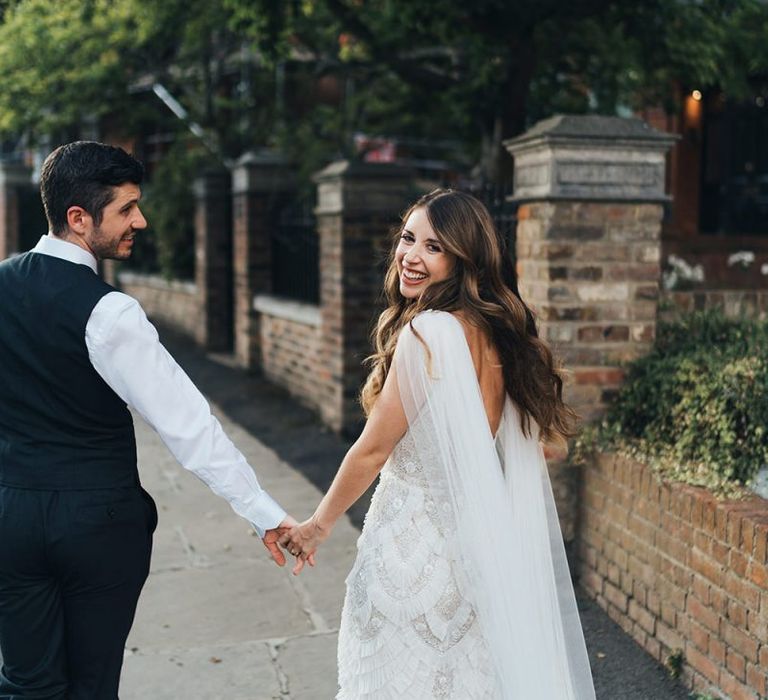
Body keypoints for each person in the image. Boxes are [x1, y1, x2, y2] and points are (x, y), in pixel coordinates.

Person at [0, 141, 295, 700]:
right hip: (96, 523)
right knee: (91, 687)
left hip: (11, 516)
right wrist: (263, 513)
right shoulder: (110, 312)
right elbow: (187, 426)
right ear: (78, 218)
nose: (142, 219)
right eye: (127, 208)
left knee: (25, 686)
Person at [282, 189, 596, 699]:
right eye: (409, 239)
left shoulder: (428, 334)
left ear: (462, 260)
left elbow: (372, 449)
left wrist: (318, 525)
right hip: (471, 553)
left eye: (434, 247)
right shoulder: (496, 334)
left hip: (412, 559)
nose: (411, 256)